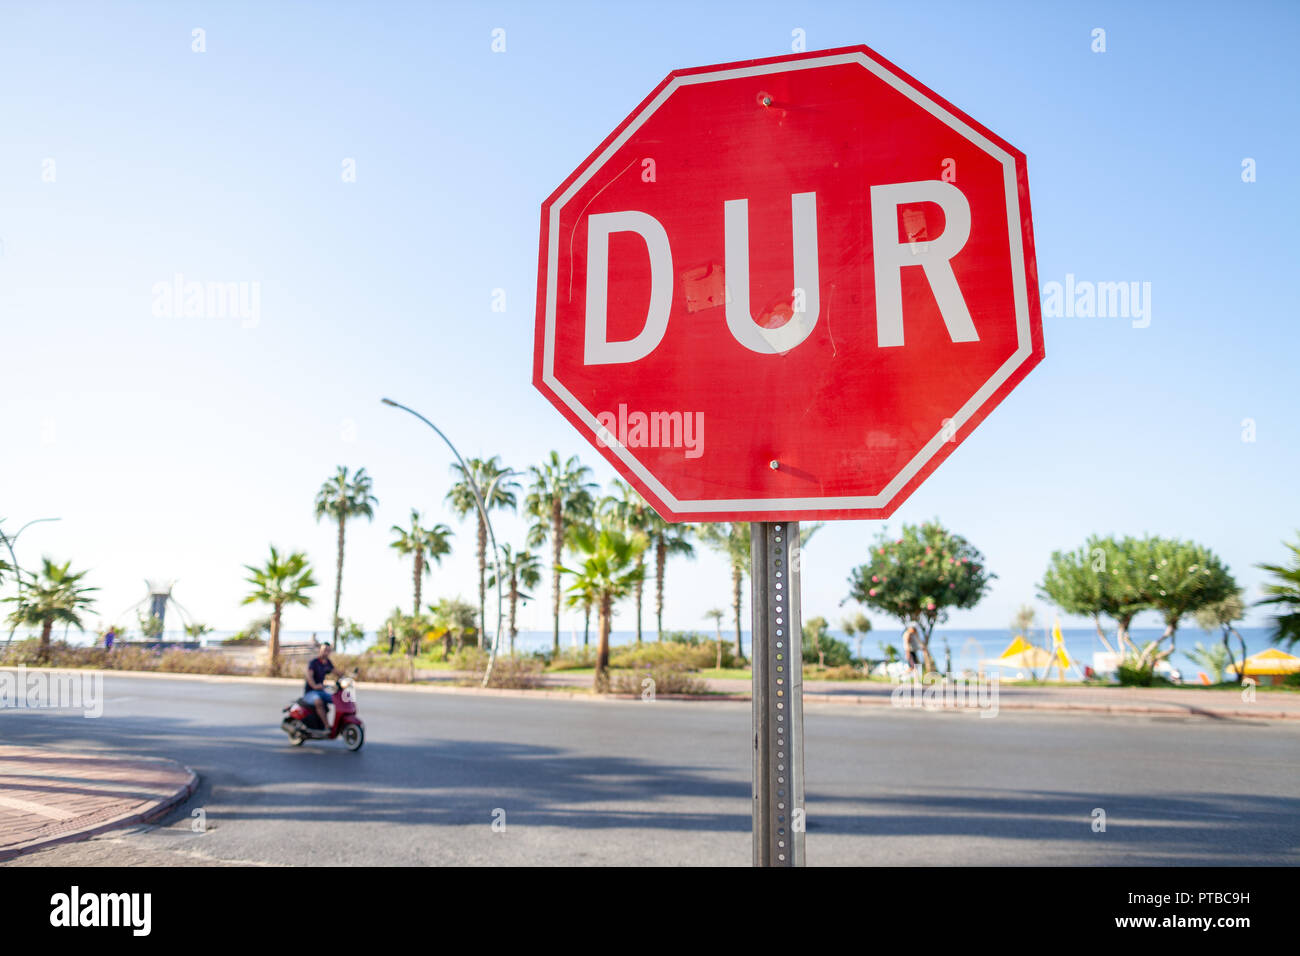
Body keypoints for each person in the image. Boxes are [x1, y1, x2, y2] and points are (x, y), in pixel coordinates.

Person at [302, 643, 337, 730]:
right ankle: (326, 726)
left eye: (328, 650)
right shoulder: (314, 663)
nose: (326, 652)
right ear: (320, 650)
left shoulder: (328, 663)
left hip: (321, 691)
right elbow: (309, 676)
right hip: (310, 693)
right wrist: (314, 686)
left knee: (337, 699)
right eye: (324, 650)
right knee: (318, 701)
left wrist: (348, 677)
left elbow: (337, 672)